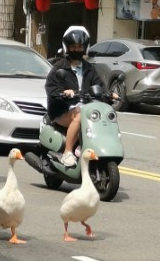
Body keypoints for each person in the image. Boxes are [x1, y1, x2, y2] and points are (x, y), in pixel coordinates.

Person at [45, 26, 116, 167]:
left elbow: (99, 86)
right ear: (67, 47)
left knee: (102, 116)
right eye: (73, 46)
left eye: (79, 47)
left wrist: (109, 94)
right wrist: (63, 92)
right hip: (62, 111)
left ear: (85, 47)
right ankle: (67, 152)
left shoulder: (89, 68)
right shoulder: (59, 68)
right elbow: (51, 88)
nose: (76, 50)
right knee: (80, 114)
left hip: (86, 109)